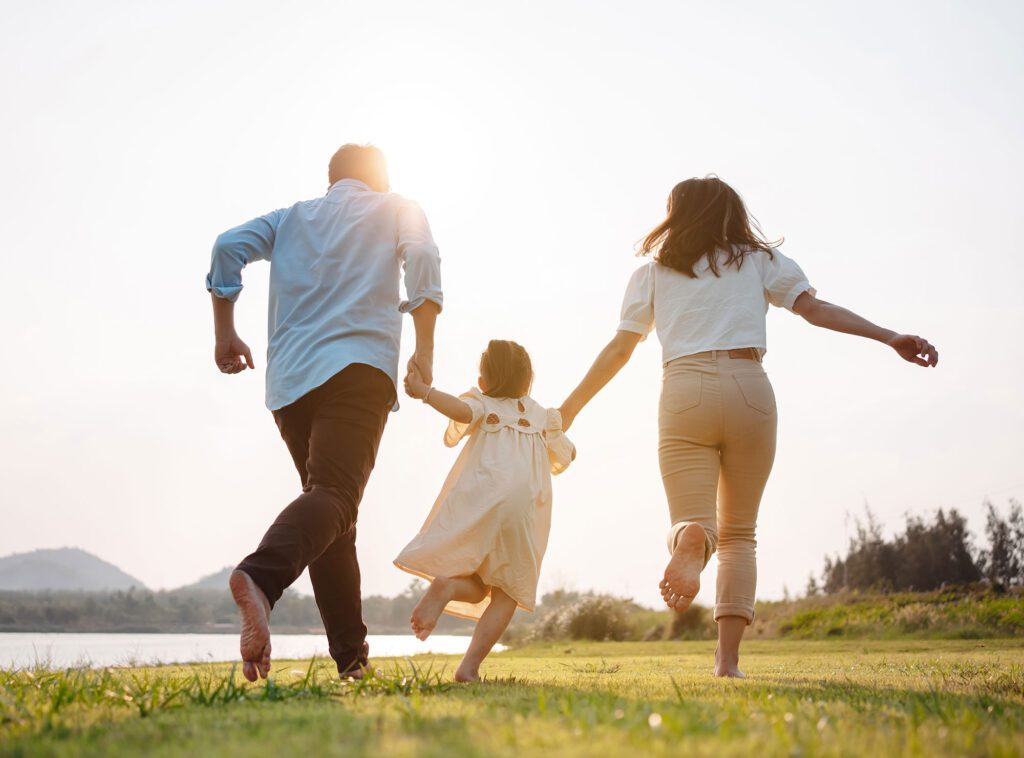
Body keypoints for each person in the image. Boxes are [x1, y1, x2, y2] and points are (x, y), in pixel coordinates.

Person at [558, 176, 937, 677]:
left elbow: (621, 349)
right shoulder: (760, 261)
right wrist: (889, 336)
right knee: (740, 535)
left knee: (695, 520)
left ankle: (691, 538)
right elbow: (814, 310)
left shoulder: (652, 274)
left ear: (676, 216)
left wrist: (569, 409)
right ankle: (727, 663)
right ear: (733, 214)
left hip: (684, 389)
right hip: (749, 387)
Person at [205, 144, 443, 682]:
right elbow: (424, 258)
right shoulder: (397, 206)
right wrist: (425, 348)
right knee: (335, 499)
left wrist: (225, 334)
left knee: (333, 517)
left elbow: (226, 247)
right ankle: (260, 580)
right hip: (358, 368)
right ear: (380, 178)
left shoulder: (291, 218)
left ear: (331, 179)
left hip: (290, 383)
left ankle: (352, 662)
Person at [395, 340, 575, 682]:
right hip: (520, 511)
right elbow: (567, 454)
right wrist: (567, 445)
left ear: (484, 381)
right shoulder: (541, 416)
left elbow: (460, 413)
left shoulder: (482, 403)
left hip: (483, 500)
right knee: (508, 593)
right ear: (528, 381)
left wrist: (425, 392)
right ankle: (469, 667)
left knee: (478, 584)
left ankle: (447, 586)